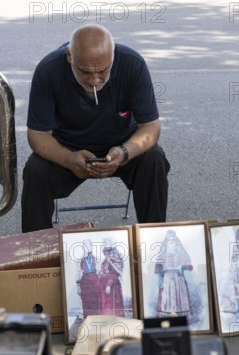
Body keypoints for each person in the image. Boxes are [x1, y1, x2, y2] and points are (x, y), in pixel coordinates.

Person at [21, 24, 170, 232]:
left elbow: (151, 127)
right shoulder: (48, 70)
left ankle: (154, 240)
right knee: (36, 169)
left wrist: (125, 152)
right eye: (85, 72)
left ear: (113, 58)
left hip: (121, 145)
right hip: (69, 149)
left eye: (103, 70)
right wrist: (67, 159)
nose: (94, 80)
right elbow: (37, 135)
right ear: (69, 57)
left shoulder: (132, 64)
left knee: (154, 158)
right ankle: (34, 249)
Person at [155, 229, 193, 318]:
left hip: (178, 277)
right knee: (166, 297)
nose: (171, 242)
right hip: (167, 278)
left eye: (173, 240)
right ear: (166, 241)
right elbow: (159, 267)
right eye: (169, 240)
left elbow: (188, 263)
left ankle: (181, 316)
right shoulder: (163, 254)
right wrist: (160, 278)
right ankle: (167, 316)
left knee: (179, 295)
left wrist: (182, 266)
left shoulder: (181, 253)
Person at [99, 239, 125, 316]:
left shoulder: (115, 260)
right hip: (104, 287)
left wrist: (109, 285)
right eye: (105, 251)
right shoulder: (105, 260)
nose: (105, 253)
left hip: (112, 287)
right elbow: (103, 271)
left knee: (112, 307)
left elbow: (115, 274)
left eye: (108, 251)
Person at [76, 239, 101, 319]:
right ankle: (87, 319)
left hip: (95, 281)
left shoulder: (96, 258)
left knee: (96, 301)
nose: (87, 247)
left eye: (88, 245)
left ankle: (97, 318)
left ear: (91, 247)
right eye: (85, 246)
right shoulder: (80, 260)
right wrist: (78, 287)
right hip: (85, 282)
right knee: (86, 302)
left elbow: (100, 271)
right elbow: (78, 273)